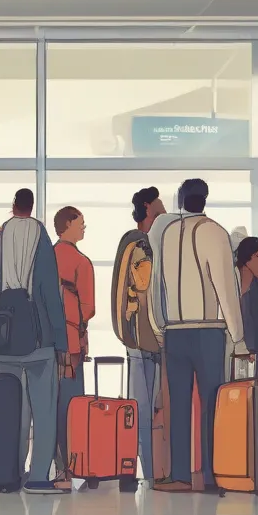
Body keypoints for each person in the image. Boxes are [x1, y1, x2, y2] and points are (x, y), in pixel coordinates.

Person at [152, 178, 243, 493]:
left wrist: (158, 325)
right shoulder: (213, 231)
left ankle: (179, 474)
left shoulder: (166, 234)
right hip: (207, 330)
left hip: (174, 331)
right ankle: (210, 473)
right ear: (204, 199)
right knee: (211, 403)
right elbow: (225, 285)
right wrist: (237, 333)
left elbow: (156, 283)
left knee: (178, 404)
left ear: (180, 199)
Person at [0, 188, 69, 494]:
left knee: (11, 411)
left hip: (4, 335)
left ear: (12, 205)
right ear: (31, 207)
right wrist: (61, 342)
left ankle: (10, 473)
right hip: (38, 336)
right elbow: (48, 293)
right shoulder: (40, 235)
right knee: (43, 411)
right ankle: (39, 476)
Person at [113, 186, 166, 482]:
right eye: (158, 212)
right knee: (146, 407)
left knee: (141, 405)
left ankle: (142, 468)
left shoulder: (128, 244)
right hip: (146, 336)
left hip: (134, 335)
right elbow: (147, 292)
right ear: (146, 210)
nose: (161, 217)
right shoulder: (143, 247)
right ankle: (149, 470)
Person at [53, 206, 95, 476]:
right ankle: (70, 466)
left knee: (49, 406)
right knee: (71, 406)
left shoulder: (45, 257)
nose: (83, 228)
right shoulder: (81, 262)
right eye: (80, 223)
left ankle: (51, 464)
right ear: (67, 225)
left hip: (45, 343)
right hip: (71, 345)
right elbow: (88, 308)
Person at [235, 237, 258, 378]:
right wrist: (247, 345)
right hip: (250, 344)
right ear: (252, 256)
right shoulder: (243, 278)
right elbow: (244, 315)